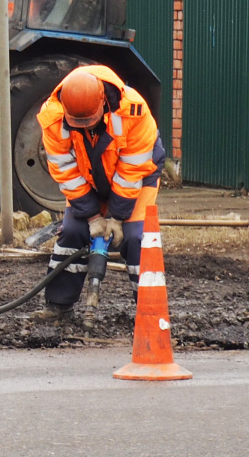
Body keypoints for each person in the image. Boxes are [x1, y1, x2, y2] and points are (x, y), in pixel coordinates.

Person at [32, 65, 167, 323]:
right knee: (73, 231)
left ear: (102, 102)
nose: (82, 127)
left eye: (88, 121)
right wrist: (93, 217)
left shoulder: (134, 112)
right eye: (77, 123)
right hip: (89, 180)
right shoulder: (52, 118)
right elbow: (66, 173)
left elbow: (132, 170)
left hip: (137, 177)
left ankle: (150, 313)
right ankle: (58, 306)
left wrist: (116, 217)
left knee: (136, 236)